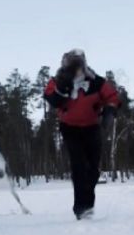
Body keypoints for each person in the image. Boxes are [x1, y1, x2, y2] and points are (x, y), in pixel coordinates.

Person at [43, 49, 119, 220]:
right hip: (70, 128)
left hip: (92, 127)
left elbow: (112, 96)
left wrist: (110, 110)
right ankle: (82, 208)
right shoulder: (58, 81)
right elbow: (50, 97)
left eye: (79, 66)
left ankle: (88, 203)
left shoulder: (96, 82)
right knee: (79, 166)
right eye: (73, 67)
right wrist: (62, 89)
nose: (77, 71)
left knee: (93, 169)